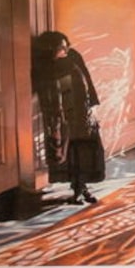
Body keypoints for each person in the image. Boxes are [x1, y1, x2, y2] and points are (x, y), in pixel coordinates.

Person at [29, 29, 107, 208]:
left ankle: (82, 187)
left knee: (86, 152)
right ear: (50, 50)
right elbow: (44, 95)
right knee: (69, 154)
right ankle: (77, 188)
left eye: (66, 45)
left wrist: (93, 108)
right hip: (62, 119)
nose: (66, 50)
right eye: (61, 47)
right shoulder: (44, 67)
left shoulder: (73, 56)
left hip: (82, 113)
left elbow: (87, 79)